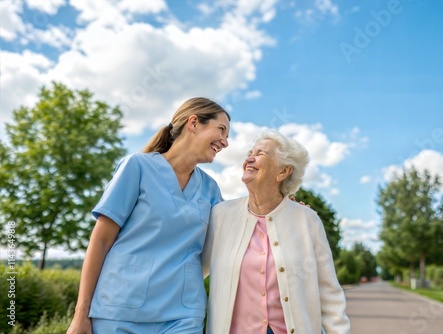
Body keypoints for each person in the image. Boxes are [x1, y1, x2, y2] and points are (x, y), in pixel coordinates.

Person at [67, 97, 230, 334]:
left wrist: (284, 209)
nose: (225, 142)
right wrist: (81, 314)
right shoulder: (137, 167)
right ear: (194, 123)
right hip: (120, 311)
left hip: (183, 315)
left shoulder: (211, 189)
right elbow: (101, 241)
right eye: (221, 130)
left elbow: (235, 235)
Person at [202, 129, 350, 334]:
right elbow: (194, 270)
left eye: (260, 153)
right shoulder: (221, 215)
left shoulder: (307, 220)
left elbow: (329, 294)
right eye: (249, 153)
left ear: (283, 172)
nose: (249, 159)